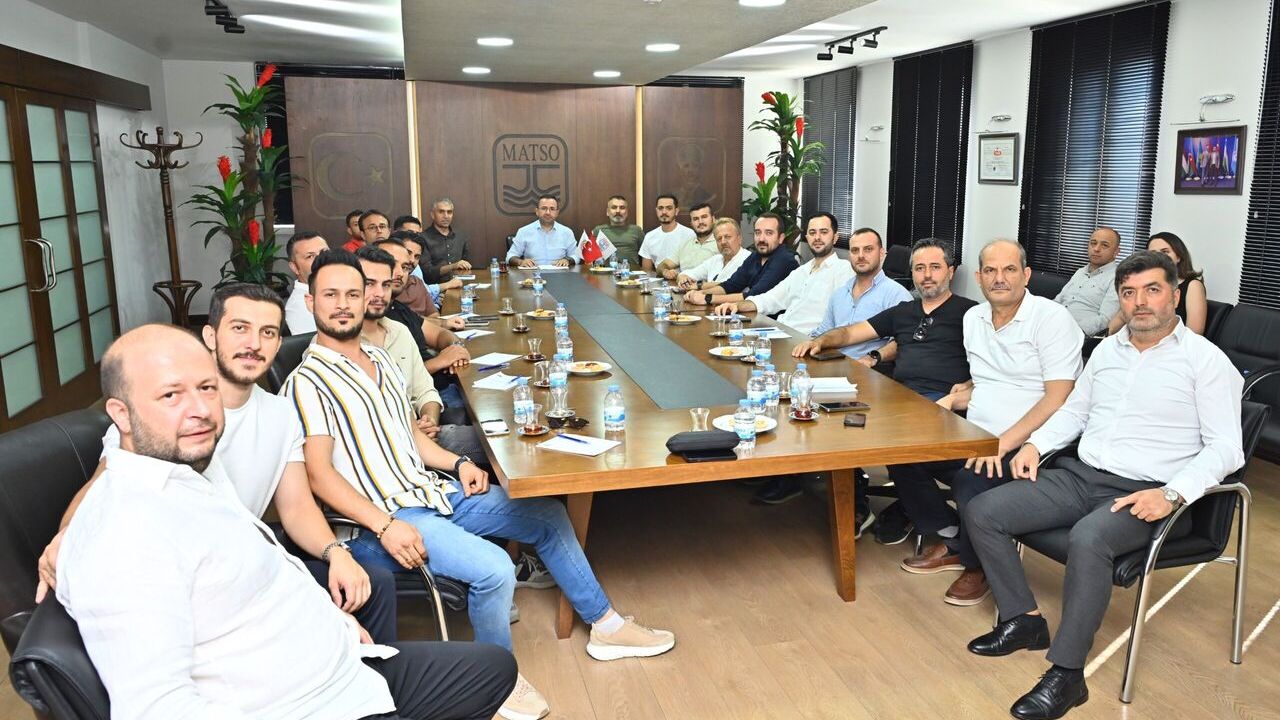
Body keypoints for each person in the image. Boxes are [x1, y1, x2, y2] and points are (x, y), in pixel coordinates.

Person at [282, 250, 676, 720]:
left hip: (429, 491)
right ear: (310, 302)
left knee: (547, 515)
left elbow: (409, 436)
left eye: (354, 292)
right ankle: (496, 682)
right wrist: (385, 526)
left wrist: (458, 462)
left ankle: (606, 627)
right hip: (383, 520)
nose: (345, 304)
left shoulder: (379, 359)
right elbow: (319, 475)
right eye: (331, 295)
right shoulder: (306, 382)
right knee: (495, 568)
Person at [56, 323, 517, 720]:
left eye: (207, 388)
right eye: (171, 395)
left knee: (494, 670)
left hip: (339, 665)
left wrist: (331, 622)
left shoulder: (191, 470)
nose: (199, 410)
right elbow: (157, 708)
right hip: (300, 704)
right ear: (121, 415)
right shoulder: (123, 536)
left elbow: (273, 554)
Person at [964, 251, 1244, 720]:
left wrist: (1172, 494)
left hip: (1148, 492)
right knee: (984, 510)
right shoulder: (1108, 351)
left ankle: (1067, 674)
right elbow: (1075, 412)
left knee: (1089, 538)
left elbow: (1227, 449)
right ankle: (1023, 620)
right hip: (1082, 476)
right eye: (1128, 293)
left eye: (1152, 290)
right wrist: (1035, 444)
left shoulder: (1206, 361)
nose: (1140, 302)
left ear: (1175, 295)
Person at [37, 284, 401, 643]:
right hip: (193, 578)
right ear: (210, 336)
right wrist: (68, 534)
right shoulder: (169, 414)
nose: (254, 344)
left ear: (278, 343)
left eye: (268, 333)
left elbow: (296, 507)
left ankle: (375, 676)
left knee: (373, 583)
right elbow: (103, 484)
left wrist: (336, 553)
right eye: (240, 328)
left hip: (247, 557)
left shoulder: (281, 413)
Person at [893, 240, 1082, 606]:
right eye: (991, 271)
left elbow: (1060, 397)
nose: (999, 279)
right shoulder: (974, 319)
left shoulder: (1052, 319)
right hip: (974, 432)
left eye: (1009, 269)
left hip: (1028, 444)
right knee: (903, 450)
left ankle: (976, 565)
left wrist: (1003, 443)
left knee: (972, 479)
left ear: (1026, 275)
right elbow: (988, 381)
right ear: (979, 277)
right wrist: (953, 399)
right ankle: (954, 536)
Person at [794, 238, 977, 543]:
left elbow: (991, 364)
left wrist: (968, 387)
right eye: (919, 268)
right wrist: (821, 341)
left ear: (950, 271)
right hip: (897, 397)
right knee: (833, 417)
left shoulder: (970, 313)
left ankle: (941, 524)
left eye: (935, 267)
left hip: (942, 404)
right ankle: (857, 500)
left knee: (895, 441)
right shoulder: (903, 311)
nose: (926, 275)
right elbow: (850, 333)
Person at [713, 212, 853, 334]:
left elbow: (841, 320)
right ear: (807, 237)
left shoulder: (843, 270)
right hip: (780, 331)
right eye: (812, 233)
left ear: (835, 237)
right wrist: (736, 306)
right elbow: (770, 299)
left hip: (806, 340)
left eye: (823, 232)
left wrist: (816, 342)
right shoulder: (801, 271)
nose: (817, 237)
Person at [682, 213, 798, 307]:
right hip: (754, 316)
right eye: (758, 233)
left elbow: (753, 296)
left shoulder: (784, 260)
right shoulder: (755, 256)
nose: (761, 239)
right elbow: (730, 285)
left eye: (769, 233)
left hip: (776, 322)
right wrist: (699, 293)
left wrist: (708, 298)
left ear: (781, 238)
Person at [1106, 232, 1207, 335]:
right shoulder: (1140, 284)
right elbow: (1118, 320)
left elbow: (1194, 333)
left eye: (1165, 252)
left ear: (1178, 257)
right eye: (1153, 253)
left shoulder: (1193, 285)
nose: (1159, 257)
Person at [1053, 227, 1121, 336]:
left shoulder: (1117, 278)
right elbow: (1058, 301)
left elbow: (1105, 320)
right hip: (1053, 327)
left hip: (1077, 335)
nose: (1096, 249)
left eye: (1104, 245)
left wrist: (1071, 331)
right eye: (1093, 243)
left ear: (1116, 251)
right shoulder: (1080, 272)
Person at [675, 217, 752, 291]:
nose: (723, 242)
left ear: (739, 238)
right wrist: (683, 277)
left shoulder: (749, 259)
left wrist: (699, 285)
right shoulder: (716, 259)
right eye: (719, 238)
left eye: (727, 237)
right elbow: (688, 273)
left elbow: (730, 285)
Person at [507, 194, 576, 268]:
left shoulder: (567, 232)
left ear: (557, 212)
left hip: (560, 273)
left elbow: (576, 255)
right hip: (532, 273)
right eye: (544, 208)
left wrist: (567, 260)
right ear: (537, 211)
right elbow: (510, 256)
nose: (548, 212)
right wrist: (521, 262)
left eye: (552, 209)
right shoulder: (523, 231)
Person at [657, 203, 718, 280]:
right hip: (682, 286)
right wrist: (665, 272)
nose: (700, 222)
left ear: (713, 219)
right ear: (691, 224)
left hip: (709, 286)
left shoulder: (721, 243)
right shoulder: (685, 244)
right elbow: (662, 265)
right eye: (695, 219)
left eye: (704, 217)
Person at [285, 230, 331, 334]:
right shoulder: (299, 307)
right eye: (310, 256)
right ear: (294, 267)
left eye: (325, 252)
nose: (321, 259)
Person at [422, 198, 475, 283]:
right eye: (441, 212)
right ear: (432, 215)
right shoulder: (423, 238)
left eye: (449, 212)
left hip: (460, 285)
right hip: (435, 287)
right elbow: (427, 271)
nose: (446, 216)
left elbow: (466, 264)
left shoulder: (460, 237)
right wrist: (453, 266)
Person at [639, 194, 695, 272]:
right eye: (660, 208)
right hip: (657, 277)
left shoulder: (689, 234)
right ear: (656, 211)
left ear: (676, 211)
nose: (664, 212)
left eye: (669, 208)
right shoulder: (649, 236)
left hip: (683, 278)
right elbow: (646, 271)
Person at [591, 194, 644, 266]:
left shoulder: (637, 230)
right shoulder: (598, 231)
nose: (618, 211)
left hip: (631, 271)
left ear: (627, 212)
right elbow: (589, 257)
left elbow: (646, 255)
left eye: (622, 208)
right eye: (614, 207)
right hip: (605, 271)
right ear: (607, 212)